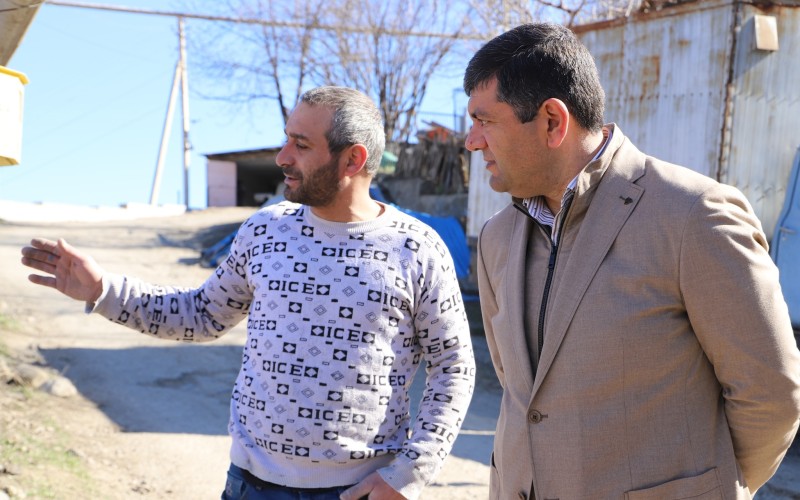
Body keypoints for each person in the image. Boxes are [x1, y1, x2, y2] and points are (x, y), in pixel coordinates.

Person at [20, 86, 475, 500]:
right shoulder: (265, 230)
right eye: (286, 140)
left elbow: (454, 366)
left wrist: (408, 473)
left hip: (360, 491)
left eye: (301, 145)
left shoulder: (416, 248)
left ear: (353, 160)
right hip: (251, 487)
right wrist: (103, 290)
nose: (282, 157)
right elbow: (201, 314)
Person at [464, 22, 800, 500]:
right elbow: (521, 391)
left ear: (553, 121)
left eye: (485, 121)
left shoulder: (692, 215)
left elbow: (770, 395)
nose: (472, 141)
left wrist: (709, 489)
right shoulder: (497, 238)